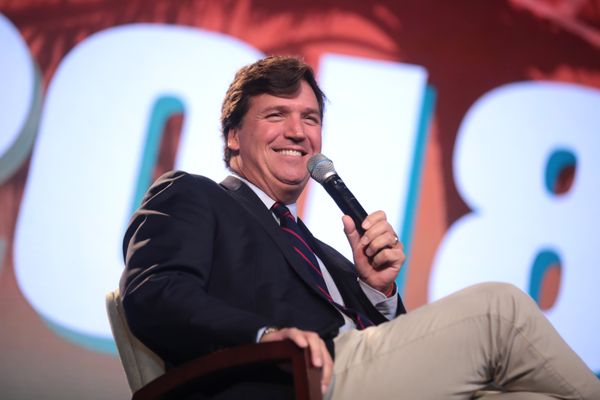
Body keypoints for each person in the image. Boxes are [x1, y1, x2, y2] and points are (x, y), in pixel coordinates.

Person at [120, 55, 600, 399]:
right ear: (233, 137)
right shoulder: (192, 194)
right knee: (500, 310)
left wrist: (379, 293)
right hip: (298, 379)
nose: (297, 131)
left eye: (310, 118)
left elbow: (391, 346)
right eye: (276, 115)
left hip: (361, 374)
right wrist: (265, 335)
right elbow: (153, 292)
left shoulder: (324, 255)